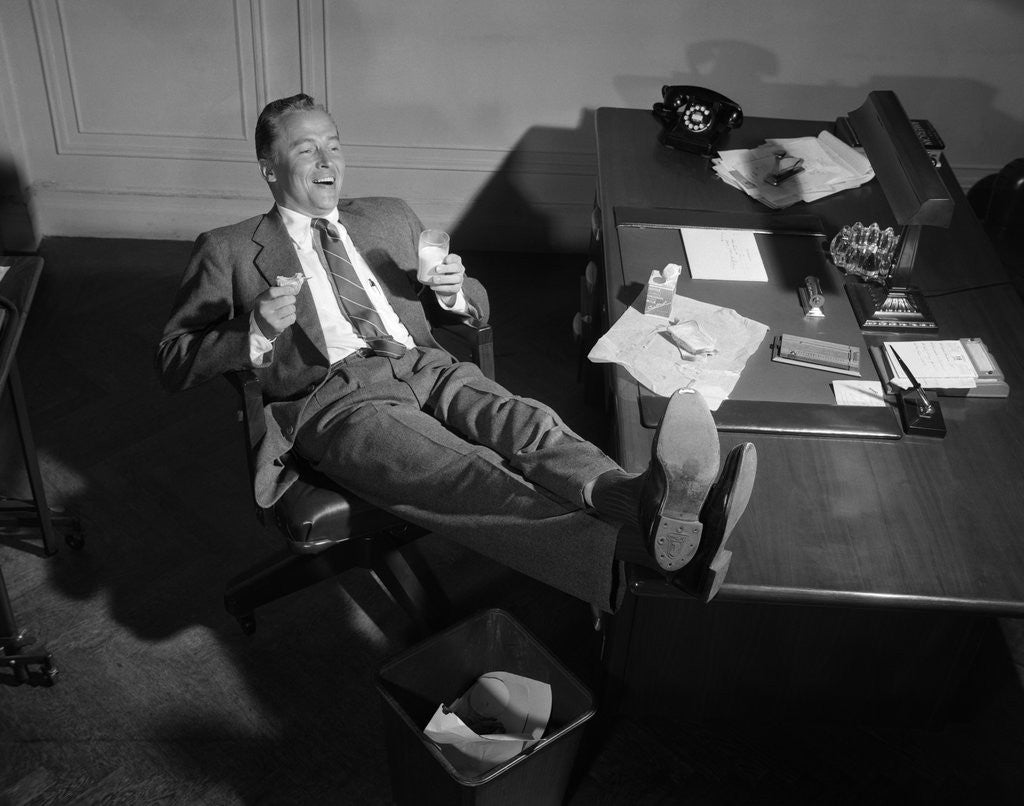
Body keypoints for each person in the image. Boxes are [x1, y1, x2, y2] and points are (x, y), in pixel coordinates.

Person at [157, 93, 757, 613]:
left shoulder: (388, 215)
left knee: (530, 426)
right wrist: (254, 331)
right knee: (467, 471)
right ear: (269, 168)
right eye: (305, 150)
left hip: (424, 362)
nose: (327, 162)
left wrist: (454, 296)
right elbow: (172, 359)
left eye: (333, 146)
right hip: (335, 399)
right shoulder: (230, 249)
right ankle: (648, 552)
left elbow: (477, 307)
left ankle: (642, 501)